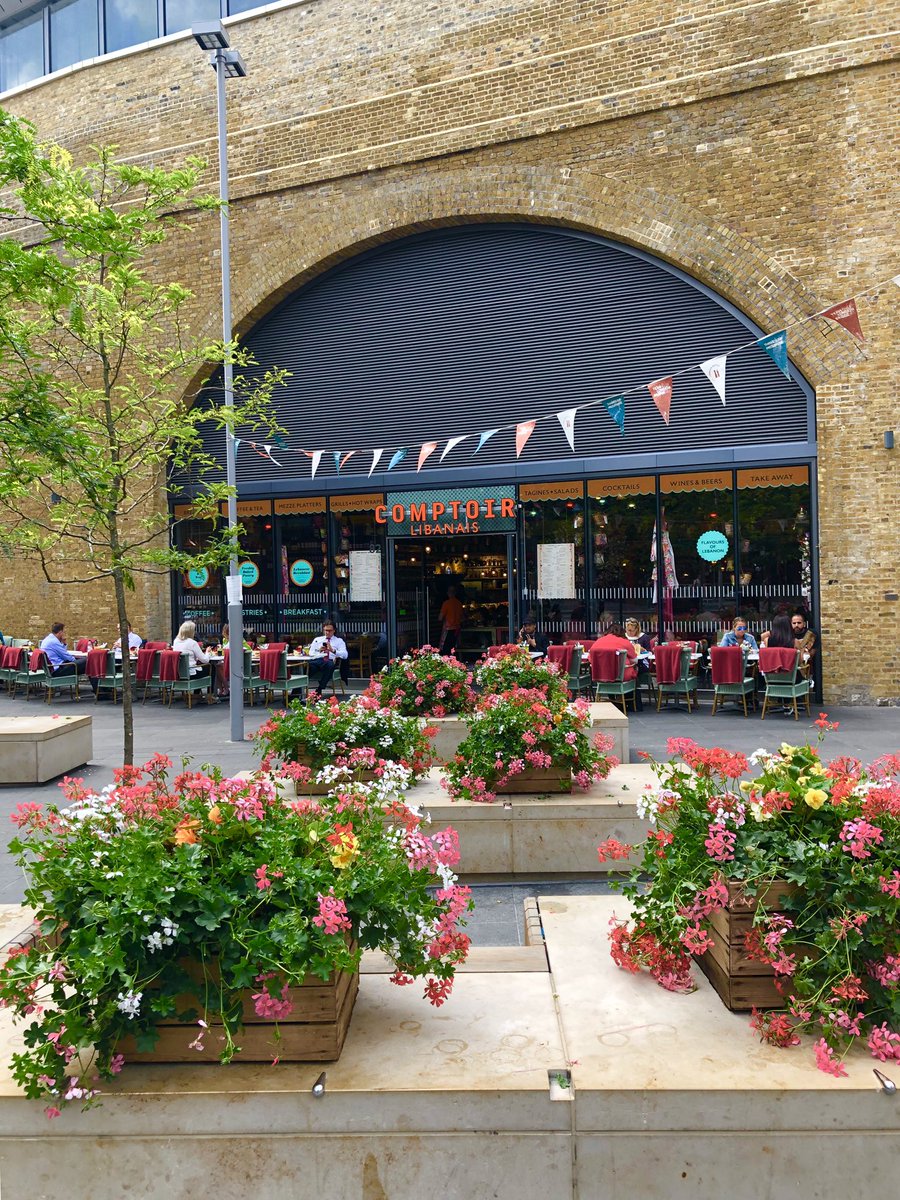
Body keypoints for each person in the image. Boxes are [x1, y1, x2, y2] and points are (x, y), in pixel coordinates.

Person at [593, 622, 642, 710]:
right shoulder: (624, 642)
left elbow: (591, 658)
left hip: (602, 676)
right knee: (635, 670)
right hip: (621, 676)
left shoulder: (599, 641)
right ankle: (631, 704)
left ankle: (613, 700)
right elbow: (635, 660)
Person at [172, 620, 216, 703]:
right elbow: (205, 660)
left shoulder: (176, 641)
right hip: (191, 673)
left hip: (179, 673)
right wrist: (208, 652)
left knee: (200, 668)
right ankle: (210, 695)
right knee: (211, 667)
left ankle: (196, 695)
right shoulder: (192, 643)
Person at [39, 622, 90, 689]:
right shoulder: (53, 641)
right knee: (88, 661)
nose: (64, 634)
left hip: (51, 669)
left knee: (87, 665)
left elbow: (62, 653)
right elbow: (66, 656)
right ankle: (99, 689)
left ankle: (98, 690)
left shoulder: (47, 639)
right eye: (63, 632)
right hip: (57, 670)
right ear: (60, 632)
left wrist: (64, 643)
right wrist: (76, 661)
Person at [306, 619, 348, 698]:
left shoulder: (339, 641)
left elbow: (345, 655)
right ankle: (297, 691)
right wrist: (319, 651)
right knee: (308, 667)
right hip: (318, 661)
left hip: (330, 662)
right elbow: (311, 653)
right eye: (325, 630)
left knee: (330, 664)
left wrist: (333, 650)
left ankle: (319, 690)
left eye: (329, 630)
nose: (327, 632)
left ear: (334, 631)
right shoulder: (317, 640)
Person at [438, 585, 464, 654]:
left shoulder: (446, 603)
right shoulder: (459, 603)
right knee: (453, 647)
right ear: (455, 593)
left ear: (448, 593)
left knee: (446, 648)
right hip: (457, 629)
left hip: (448, 629)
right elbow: (462, 618)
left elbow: (440, 618)